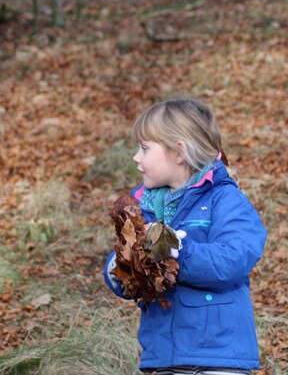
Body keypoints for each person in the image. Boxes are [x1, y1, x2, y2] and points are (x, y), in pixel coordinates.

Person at [103, 99, 268, 375]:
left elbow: (234, 259)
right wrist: (121, 267)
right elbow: (136, 283)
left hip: (219, 356)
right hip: (163, 356)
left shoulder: (224, 199)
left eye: (145, 148)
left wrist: (178, 251)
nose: (136, 157)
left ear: (178, 153)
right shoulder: (142, 208)